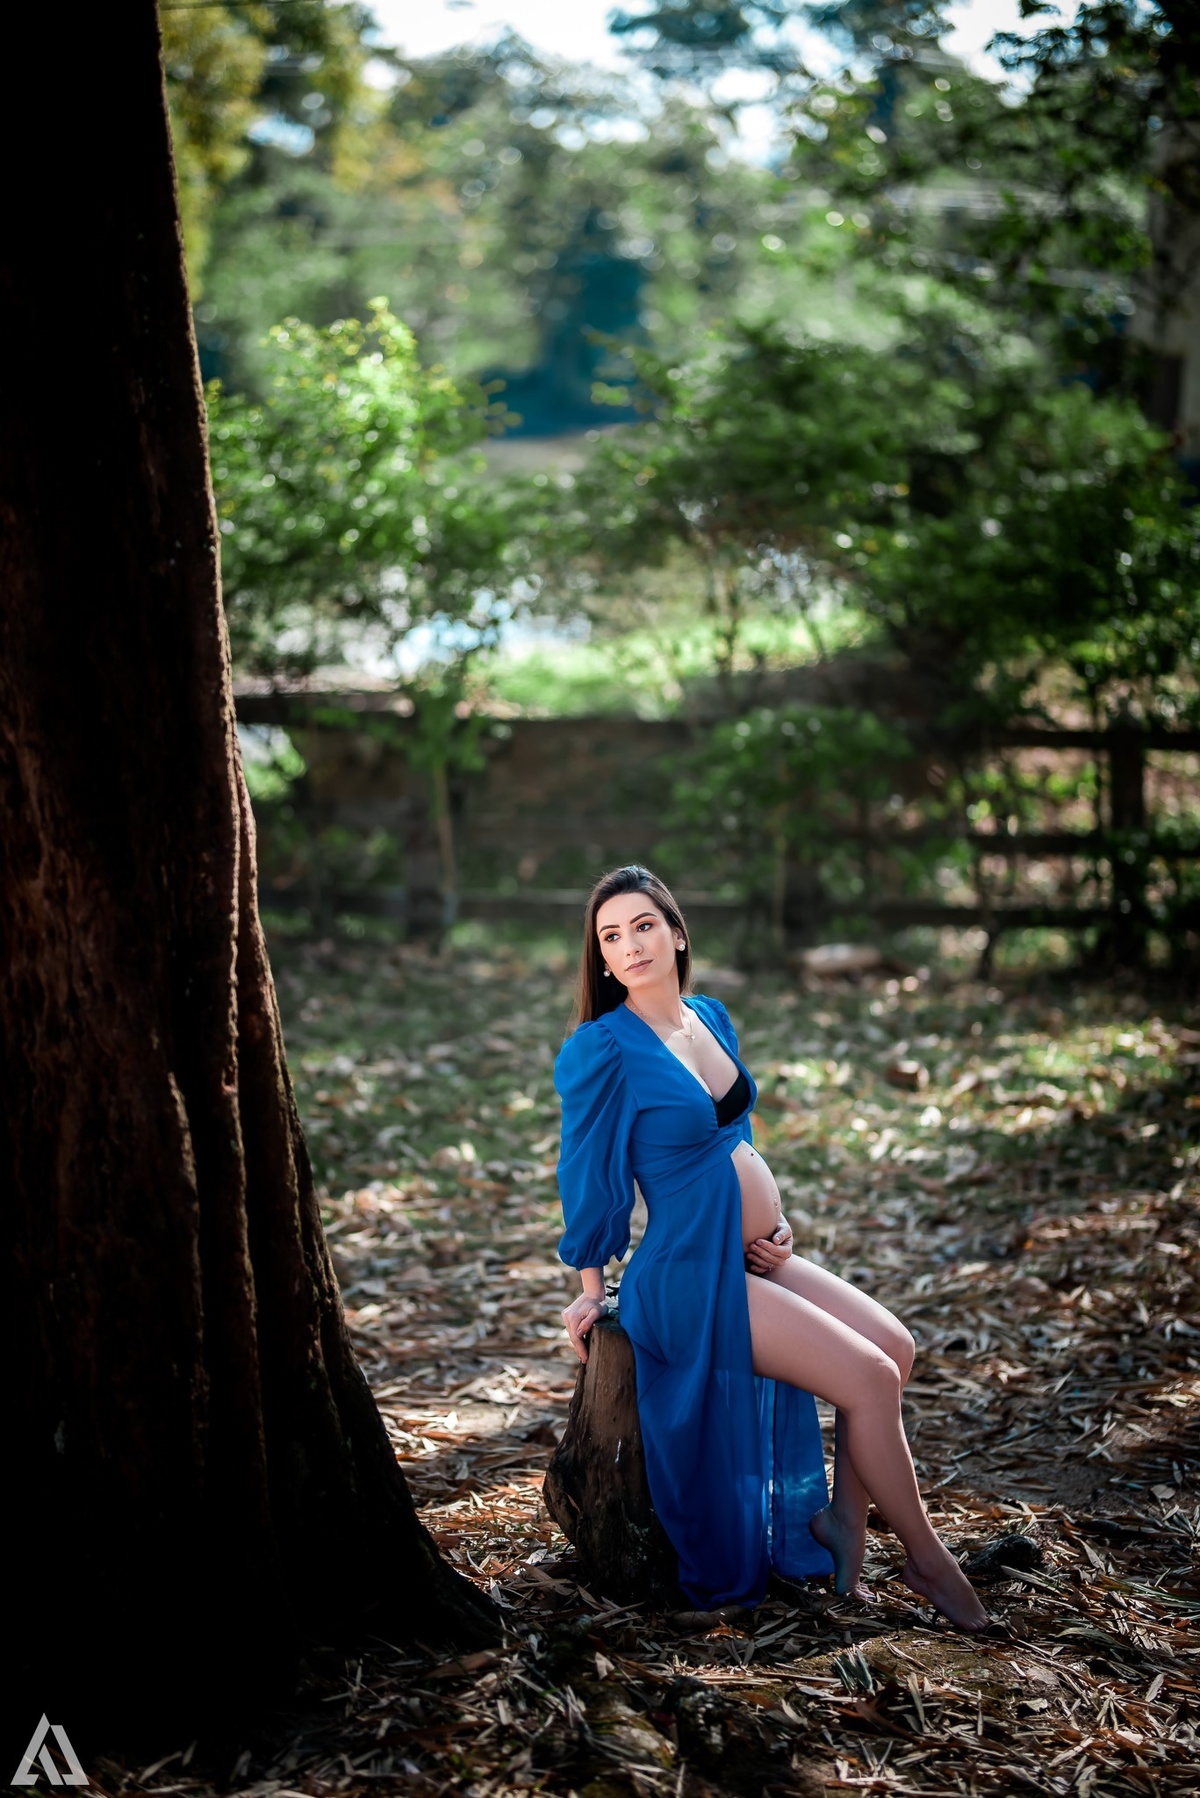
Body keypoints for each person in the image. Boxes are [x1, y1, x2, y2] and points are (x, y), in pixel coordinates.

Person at [555, 864, 990, 1630]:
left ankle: (843, 1525)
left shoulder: (710, 1018)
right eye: (611, 936)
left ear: (678, 932)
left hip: (752, 1254)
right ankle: (928, 1561)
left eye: (644, 925)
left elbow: (732, 1139)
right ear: (600, 956)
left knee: (898, 1345)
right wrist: (592, 1289)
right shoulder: (604, 1050)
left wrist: (772, 1220)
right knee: (868, 1376)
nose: (631, 945)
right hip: (687, 1274)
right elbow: (587, 1178)